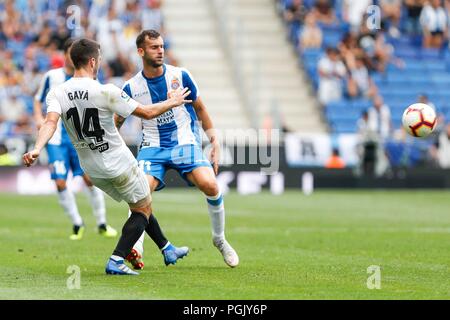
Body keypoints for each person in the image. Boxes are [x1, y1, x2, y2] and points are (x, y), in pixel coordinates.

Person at [23, 38, 192, 275]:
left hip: (91, 168)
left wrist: (37, 148)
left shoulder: (58, 92)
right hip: (117, 161)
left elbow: (50, 123)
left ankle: (167, 248)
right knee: (142, 209)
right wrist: (173, 102)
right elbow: (146, 113)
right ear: (93, 61)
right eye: (99, 59)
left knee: (140, 201)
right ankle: (116, 259)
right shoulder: (106, 91)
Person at [115, 29, 239, 268]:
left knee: (211, 184)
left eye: (161, 46)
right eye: (154, 47)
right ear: (141, 52)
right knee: (140, 192)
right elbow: (116, 124)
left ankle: (220, 239)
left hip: (184, 143)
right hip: (152, 147)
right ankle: (136, 246)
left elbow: (200, 108)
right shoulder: (131, 87)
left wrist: (214, 141)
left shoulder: (180, 76)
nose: (160, 50)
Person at [33, 38, 117, 240]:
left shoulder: (90, 80)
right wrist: (38, 119)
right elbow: (37, 99)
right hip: (56, 140)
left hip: (79, 138)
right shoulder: (52, 77)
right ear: (65, 55)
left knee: (90, 179)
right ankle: (77, 223)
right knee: (60, 182)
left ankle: (102, 223)